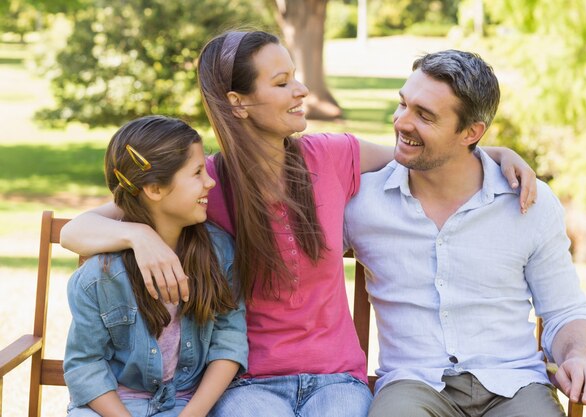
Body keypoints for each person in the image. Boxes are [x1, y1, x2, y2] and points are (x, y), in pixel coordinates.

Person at [60, 31, 537, 417]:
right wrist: (137, 233)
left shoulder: (333, 156)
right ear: (239, 103)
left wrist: (492, 151)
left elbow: (417, 153)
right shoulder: (206, 184)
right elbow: (73, 231)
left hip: (337, 379)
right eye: (282, 82)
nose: (302, 90)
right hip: (248, 382)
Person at [343, 50, 586, 417]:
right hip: (413, 385)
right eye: (403, 104)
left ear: (472, 132)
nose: (402, 121)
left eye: (425, 116)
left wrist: (577, 356)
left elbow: (565, 310)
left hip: (514, 385)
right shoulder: (361, 202)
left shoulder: (528, 201)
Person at [63, 115, 248, 417]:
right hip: (112, 407)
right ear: (154, 189)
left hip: (187, 404)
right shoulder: (101, 274)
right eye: (198, 172)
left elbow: (229, 343)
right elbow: (85, 364)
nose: (210, 181)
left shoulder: (219, 253)